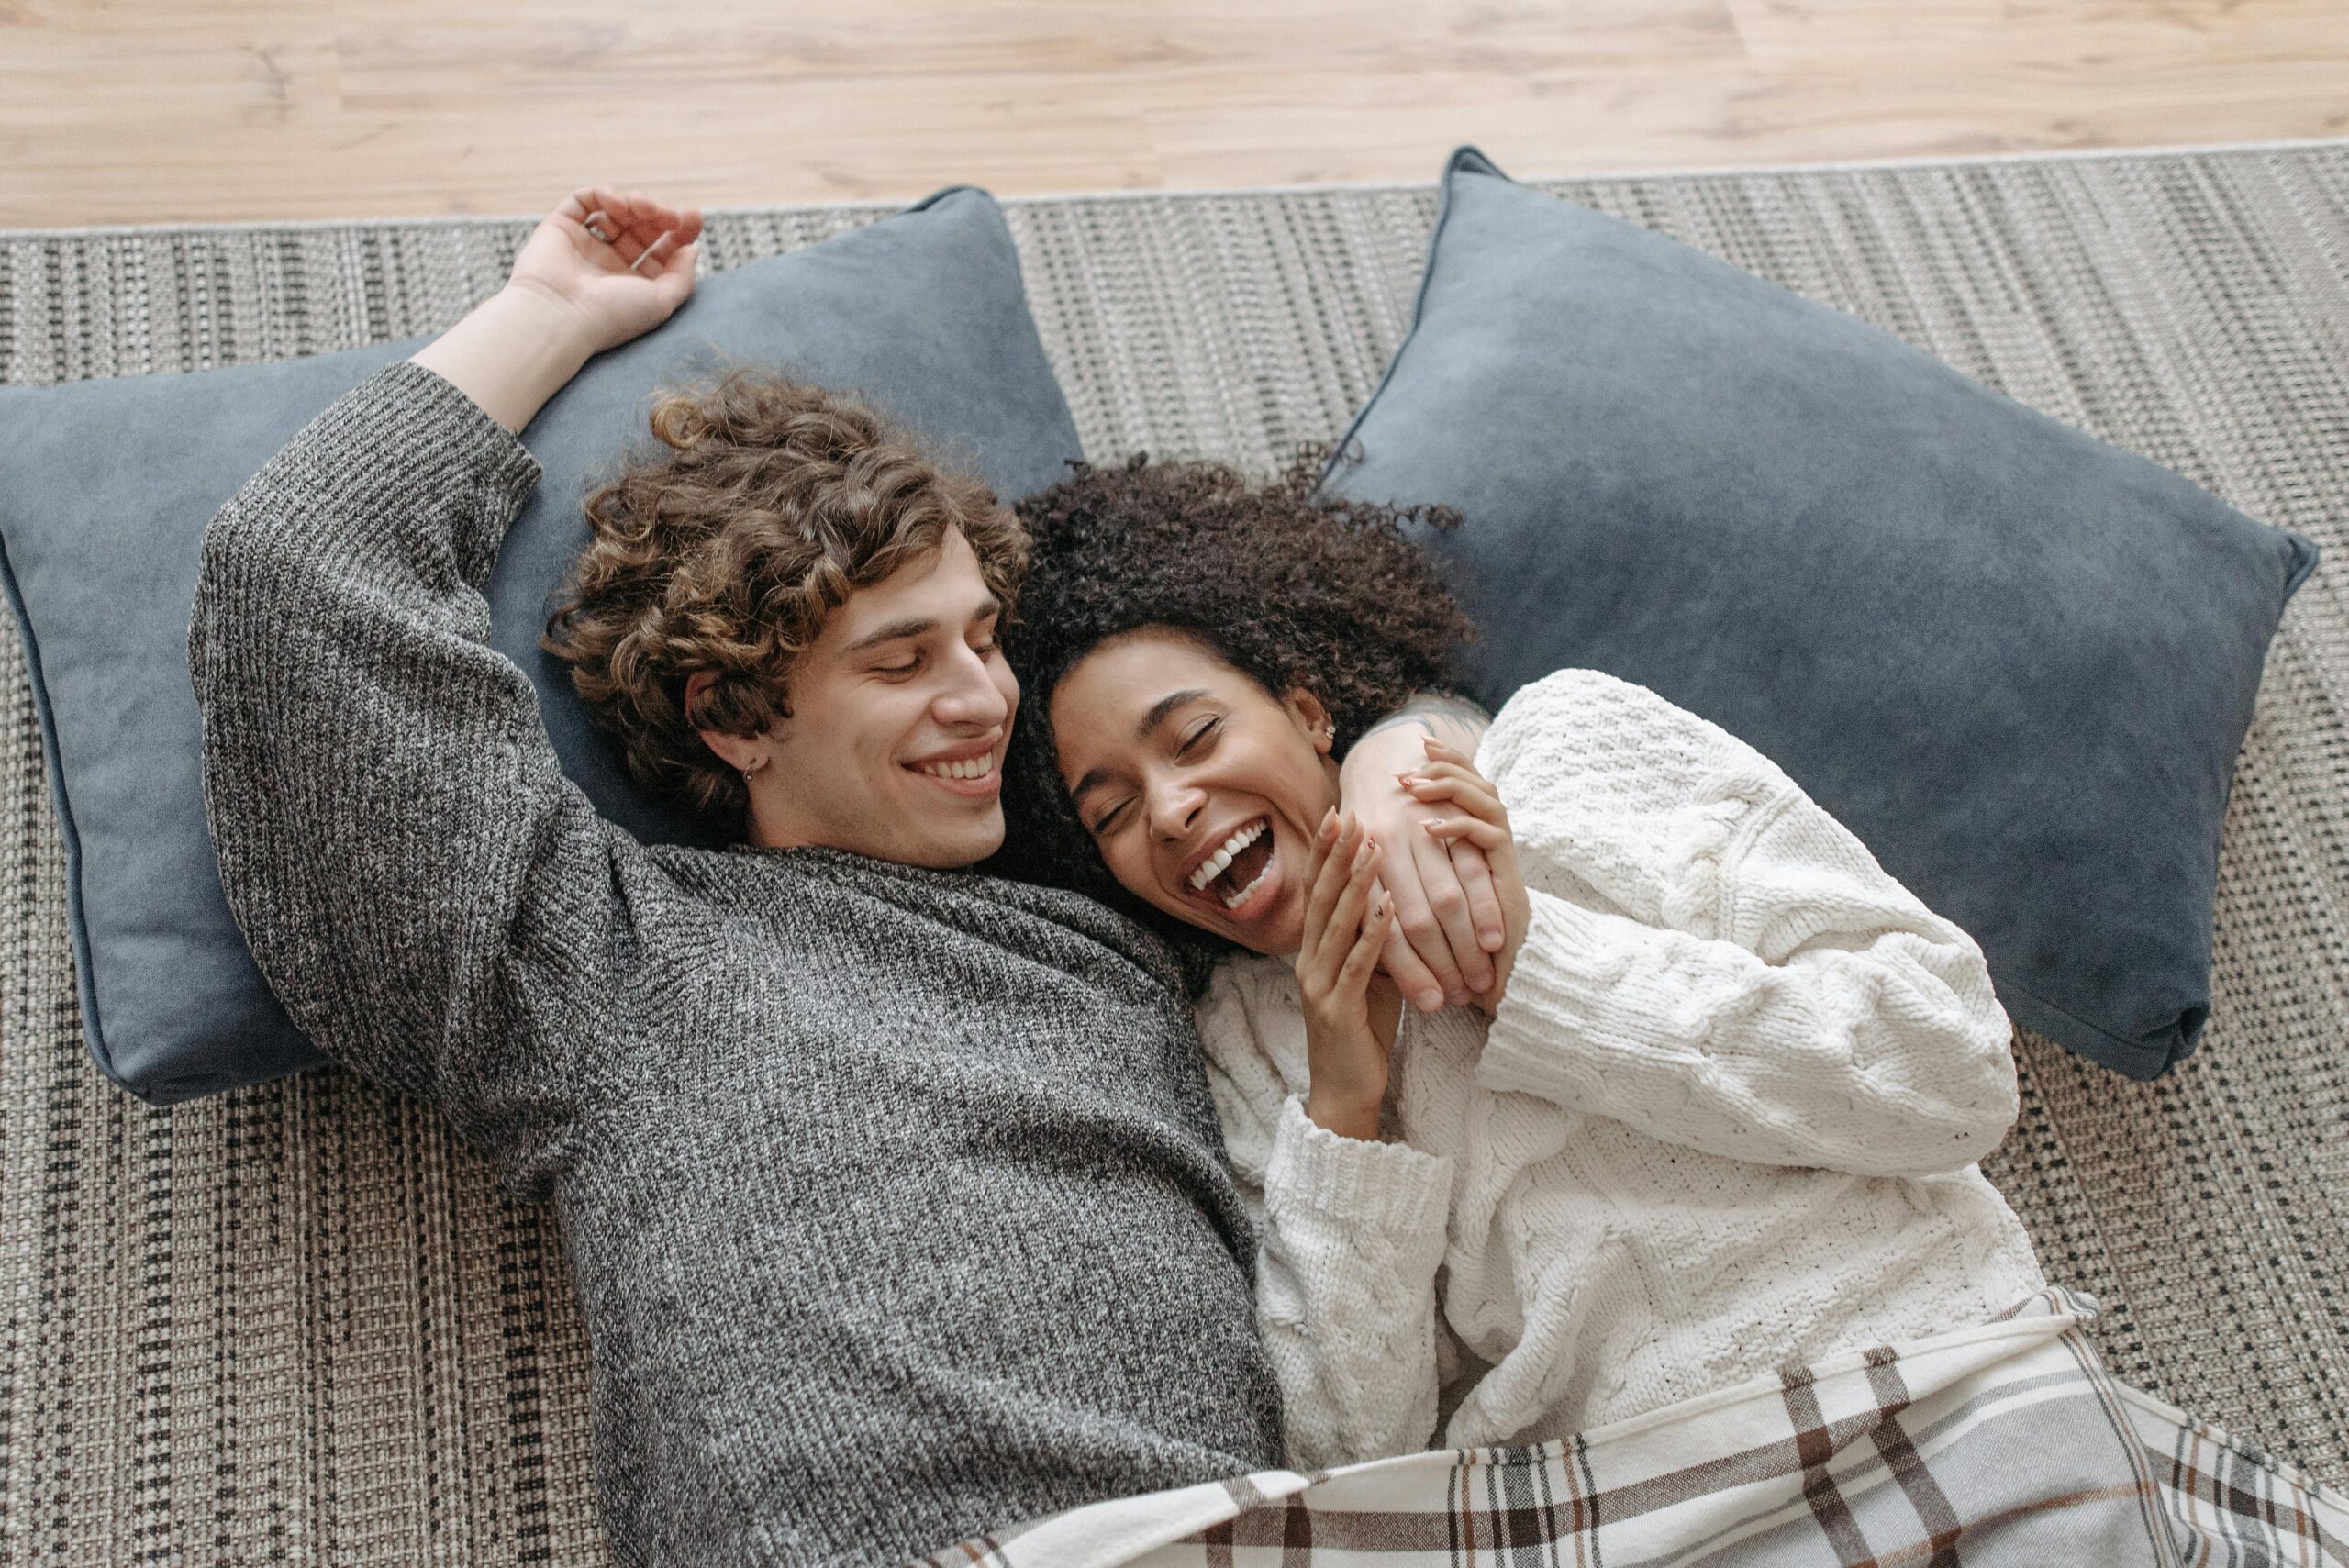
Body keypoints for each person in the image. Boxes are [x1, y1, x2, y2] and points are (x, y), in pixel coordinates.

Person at [185, 185, 1491, 1567]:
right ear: (734, 719)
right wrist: (549, 317)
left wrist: (1394, 759)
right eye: (900, 661)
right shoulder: (603, 954)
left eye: (983, 638)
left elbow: (1283, 752)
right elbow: (295, 574)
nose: (986, 699)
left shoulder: (1111, 927)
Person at [994, 452, 2049, 1468]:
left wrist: (1529, 969)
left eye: (1192, 736)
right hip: (1641, 1511)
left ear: (1308, 708)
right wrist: (1346, 1110)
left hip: (1939, 1378)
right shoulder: (1242, 1054)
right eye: (1116, 810)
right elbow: (1343, 1460)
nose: (1171, 809)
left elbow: (1953, 1071)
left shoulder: (1563, 751)